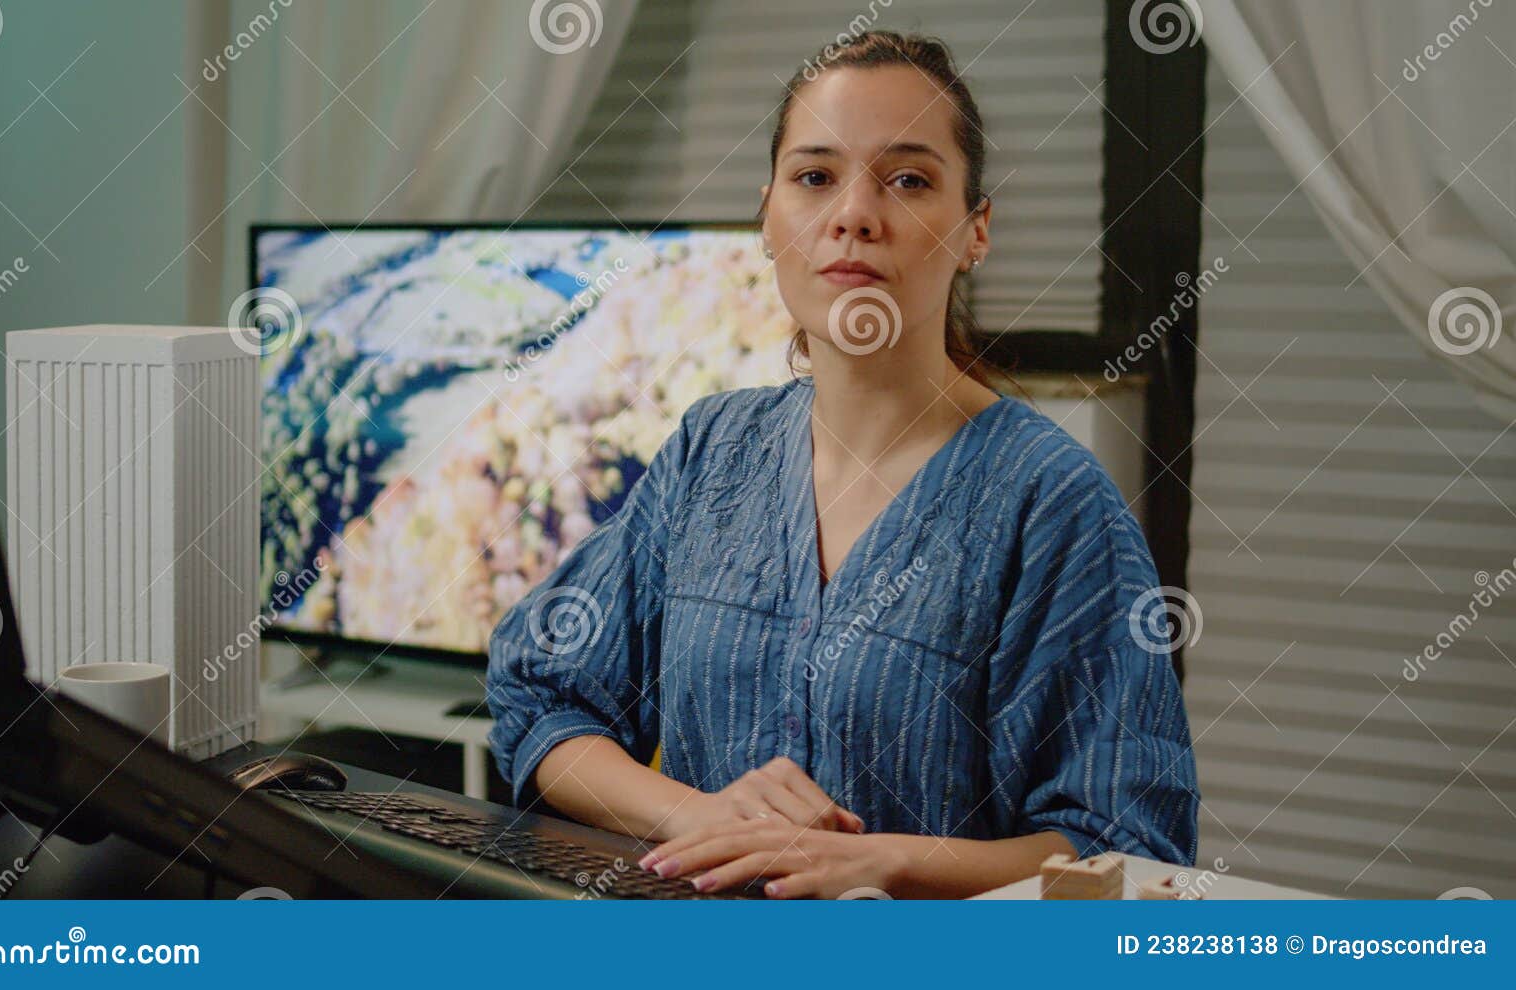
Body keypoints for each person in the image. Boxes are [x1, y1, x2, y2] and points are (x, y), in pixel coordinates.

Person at [487, 29, 1199, 898]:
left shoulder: (1051, 504)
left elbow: (1123, 856)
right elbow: (542, 703)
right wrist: (694, 814)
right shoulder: (712, 453)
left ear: (976, 230)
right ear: (769, 217)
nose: (854, 212)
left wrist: (883, 861)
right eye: (815, 176)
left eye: (908, 179)